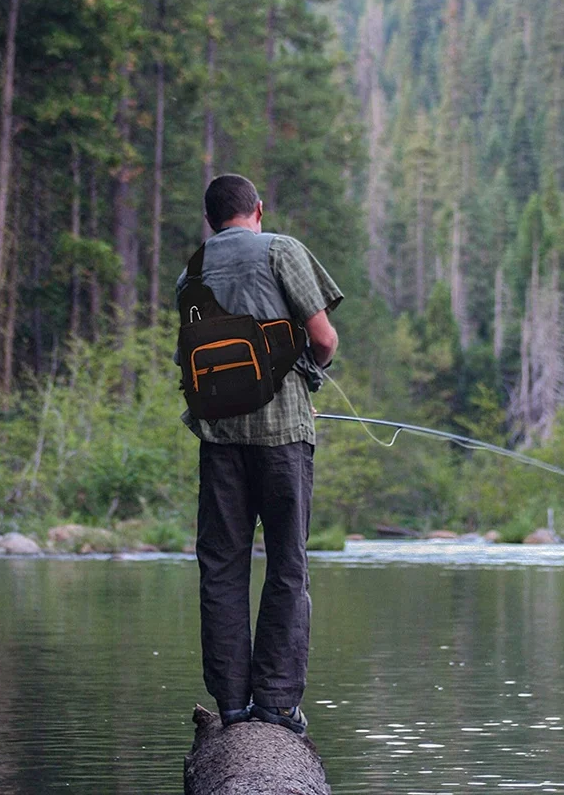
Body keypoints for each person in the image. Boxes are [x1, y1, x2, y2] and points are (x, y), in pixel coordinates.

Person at [176, 174, 343, 735]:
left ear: (211, 219)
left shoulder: (191, 270)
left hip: (218, 440)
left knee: (222, 566)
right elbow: (324, 339)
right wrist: (309, 375)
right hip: (282, 436)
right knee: (287, 565)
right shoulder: (282, 251)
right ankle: (274, 703)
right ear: (258, 210)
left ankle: (229, 703)